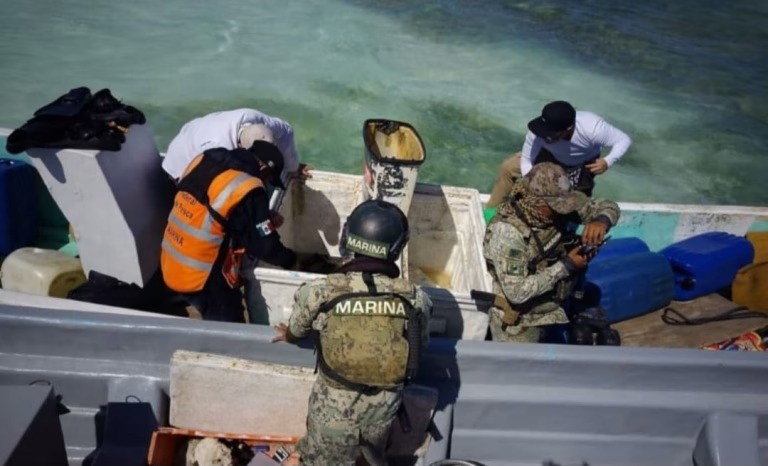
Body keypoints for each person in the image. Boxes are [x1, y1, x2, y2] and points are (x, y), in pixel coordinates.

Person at [272, 199, 431, 466]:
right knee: (370, 455)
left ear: (348, 238)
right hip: (382, 413)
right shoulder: (416, 299)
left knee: (319, 456)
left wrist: (289, 336)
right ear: (396, 248)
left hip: (330, 411)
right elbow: (419, 343)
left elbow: (298, 330)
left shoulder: (321, 291)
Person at [160, 141, 299, 323]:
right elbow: (265, 247)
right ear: (263, 168)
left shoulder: (206, 158)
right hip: (200, 276)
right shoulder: (247, 187)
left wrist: (259, 215)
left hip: (170, 260)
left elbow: (209, 210)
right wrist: (292, 262)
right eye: (267, 178)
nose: (264, 182)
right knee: (229, 327)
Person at [483, 162, 620, 343]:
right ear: (538, 203)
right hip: (521, 321)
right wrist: (567, 266)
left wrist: (601, 221)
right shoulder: (508, 234)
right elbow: (517, 292)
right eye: (557, 205)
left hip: (554, 305)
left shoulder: (559, 207)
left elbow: (608, 206)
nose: (564, 209)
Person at [488, 101, 631, 206]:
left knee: (575, 201)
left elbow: (623, 140)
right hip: (548, 155)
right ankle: (491, 211)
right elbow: (526, 160)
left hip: (581, 164)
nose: (543, 136)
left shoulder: (593, 129)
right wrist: (533, 182)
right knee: (509, 167)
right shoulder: (538, 130)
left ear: (568, 129)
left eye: (550, 134)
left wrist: (608, 161)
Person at [161, 108, 312, 183]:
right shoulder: (218, 150)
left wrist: (292, 167)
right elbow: (202, 187)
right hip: (180, 164)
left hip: (198, 130)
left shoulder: (255, 119)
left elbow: (286, 131)